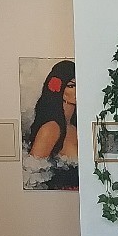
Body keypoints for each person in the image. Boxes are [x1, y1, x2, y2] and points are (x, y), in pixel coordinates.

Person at [25, 59, 79, 190]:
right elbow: (32, 179)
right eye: (71, 86)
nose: (79, 90)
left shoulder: (75, 127)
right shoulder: (51, 129)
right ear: (59, 89)